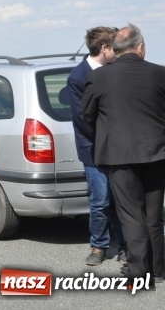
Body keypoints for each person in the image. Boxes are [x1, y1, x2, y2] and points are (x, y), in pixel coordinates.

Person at [82, 24, 165, 285]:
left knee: (131, 215)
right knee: (154, 214)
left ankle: (140, 272)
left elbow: (87, 114)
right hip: (158, 153)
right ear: (140, 47)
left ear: (116, 51)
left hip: (120, 156)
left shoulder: (100, 77)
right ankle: (159, 268)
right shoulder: (160, 73)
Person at [65, 26, 126, 267]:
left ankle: (125, 245)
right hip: (94, 150)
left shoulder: (117, 70)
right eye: (117, 48)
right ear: (105, 48)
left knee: (122, 201)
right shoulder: (78, 77)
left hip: (120, 148)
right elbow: (83, 120)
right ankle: (99, 246)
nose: (121, 52)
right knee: (100, 201)